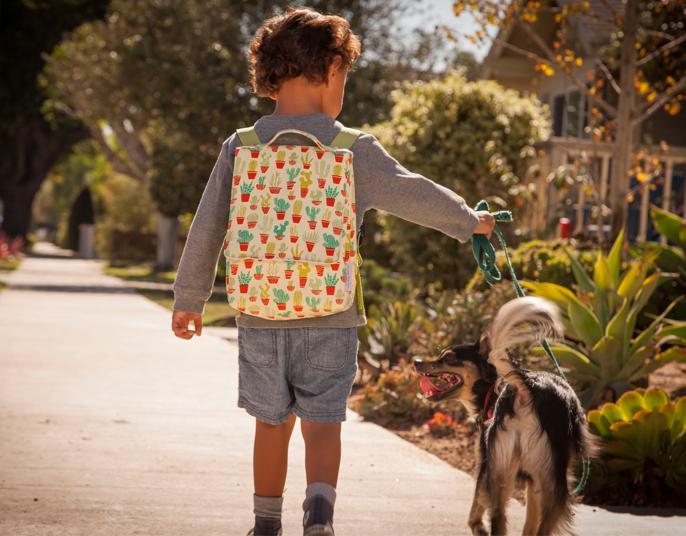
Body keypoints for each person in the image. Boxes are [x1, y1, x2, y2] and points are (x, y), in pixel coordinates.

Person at [171, 7, 495, 536]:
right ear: (334, 69)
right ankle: (319, 519)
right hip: (331, 311)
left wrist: (190, 298)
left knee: (270, 424)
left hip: (260, 311)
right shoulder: (352, 150)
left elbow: (209, 224)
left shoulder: (242, 147)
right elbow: (413, 192)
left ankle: (265, 525)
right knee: (323, 424)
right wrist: (470, 222)